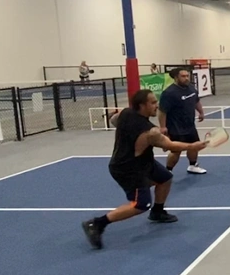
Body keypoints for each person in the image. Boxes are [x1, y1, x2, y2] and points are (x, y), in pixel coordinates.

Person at [81, 89, 207, 250]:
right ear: (142, 105)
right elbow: (169, 145)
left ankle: (158, 212)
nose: (157, 105)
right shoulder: (150, 131)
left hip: (143, 161)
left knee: (165, 178)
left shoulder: (126, 113)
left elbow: (114, 120)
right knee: (141, 204)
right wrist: (193, 145)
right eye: (153, 102)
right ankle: (97, 223)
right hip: (128, 168)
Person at [159, 68, 207, 174]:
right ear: (176, 78)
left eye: (187, 76)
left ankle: (192, 165)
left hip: (190, 125)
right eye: (183, 76)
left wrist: (201, 112)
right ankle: (168, 171)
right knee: (176, 151)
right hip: (175, 127)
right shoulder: (169, 93)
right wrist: (163, 127)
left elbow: (196, 101)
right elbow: (162, 111)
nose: (186, 78)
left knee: (194, 146)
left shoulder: (191, 88)